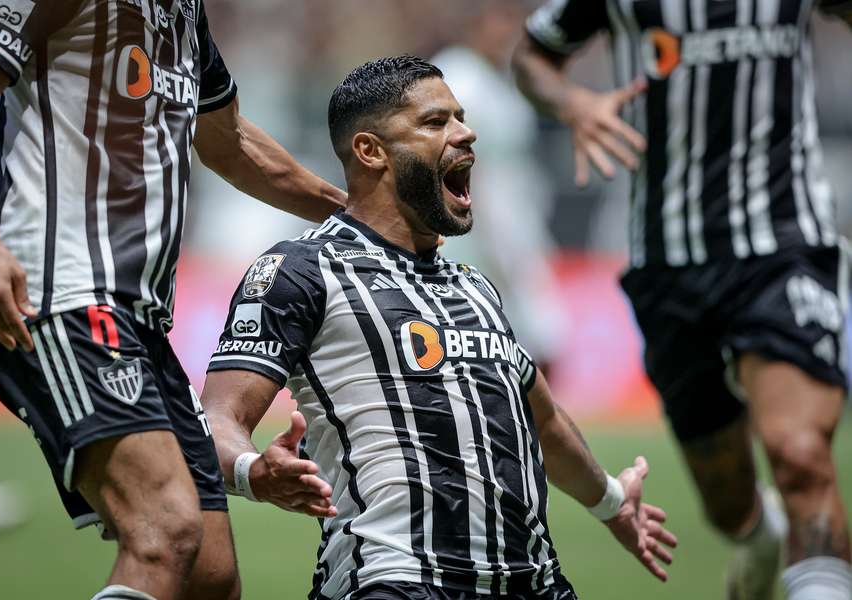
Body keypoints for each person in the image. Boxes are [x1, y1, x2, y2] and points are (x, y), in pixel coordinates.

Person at [201, 55, 677, 600]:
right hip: (394, 580)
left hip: (534, 584)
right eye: (435, 123)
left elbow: (537, 412)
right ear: (370, 151)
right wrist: (249, 471)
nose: (466, 132)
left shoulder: (474, 286)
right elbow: (218, 416)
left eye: (461, 117)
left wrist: (611, 503)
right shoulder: (302, 271)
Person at [0, 1, 344, 598]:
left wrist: (363, 219)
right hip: (61, 288)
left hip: (141, 318)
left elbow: (231, 141)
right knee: (163, 529)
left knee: (210, 577)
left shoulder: (185, 13)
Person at [512, 2, 852, 599]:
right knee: (727, 504)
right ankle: (756, 535)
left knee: (800, 456)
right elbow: (533, 56)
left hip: (785, 242)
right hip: (669, 261)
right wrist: (576, 105)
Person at [430, 0, 567, 371]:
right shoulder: (458, 79)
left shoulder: (498, 77)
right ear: (475, 23)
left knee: (536, 331)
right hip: (481, 220)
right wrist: (480, 221)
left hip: (517, 211)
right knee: (516, 330)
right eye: (498, 20)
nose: (507, 31)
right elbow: (461, 164)